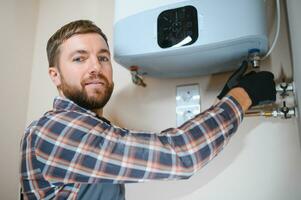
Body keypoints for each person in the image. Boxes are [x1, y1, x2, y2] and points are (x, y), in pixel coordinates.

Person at [20, 20, 276, 200]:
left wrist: (221, 102)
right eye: (79, 58)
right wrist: (244, 95)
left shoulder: (91, 129)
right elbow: (181, 155)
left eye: (103, 57)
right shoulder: (55, 130)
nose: (95, 67)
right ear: (55, 75)